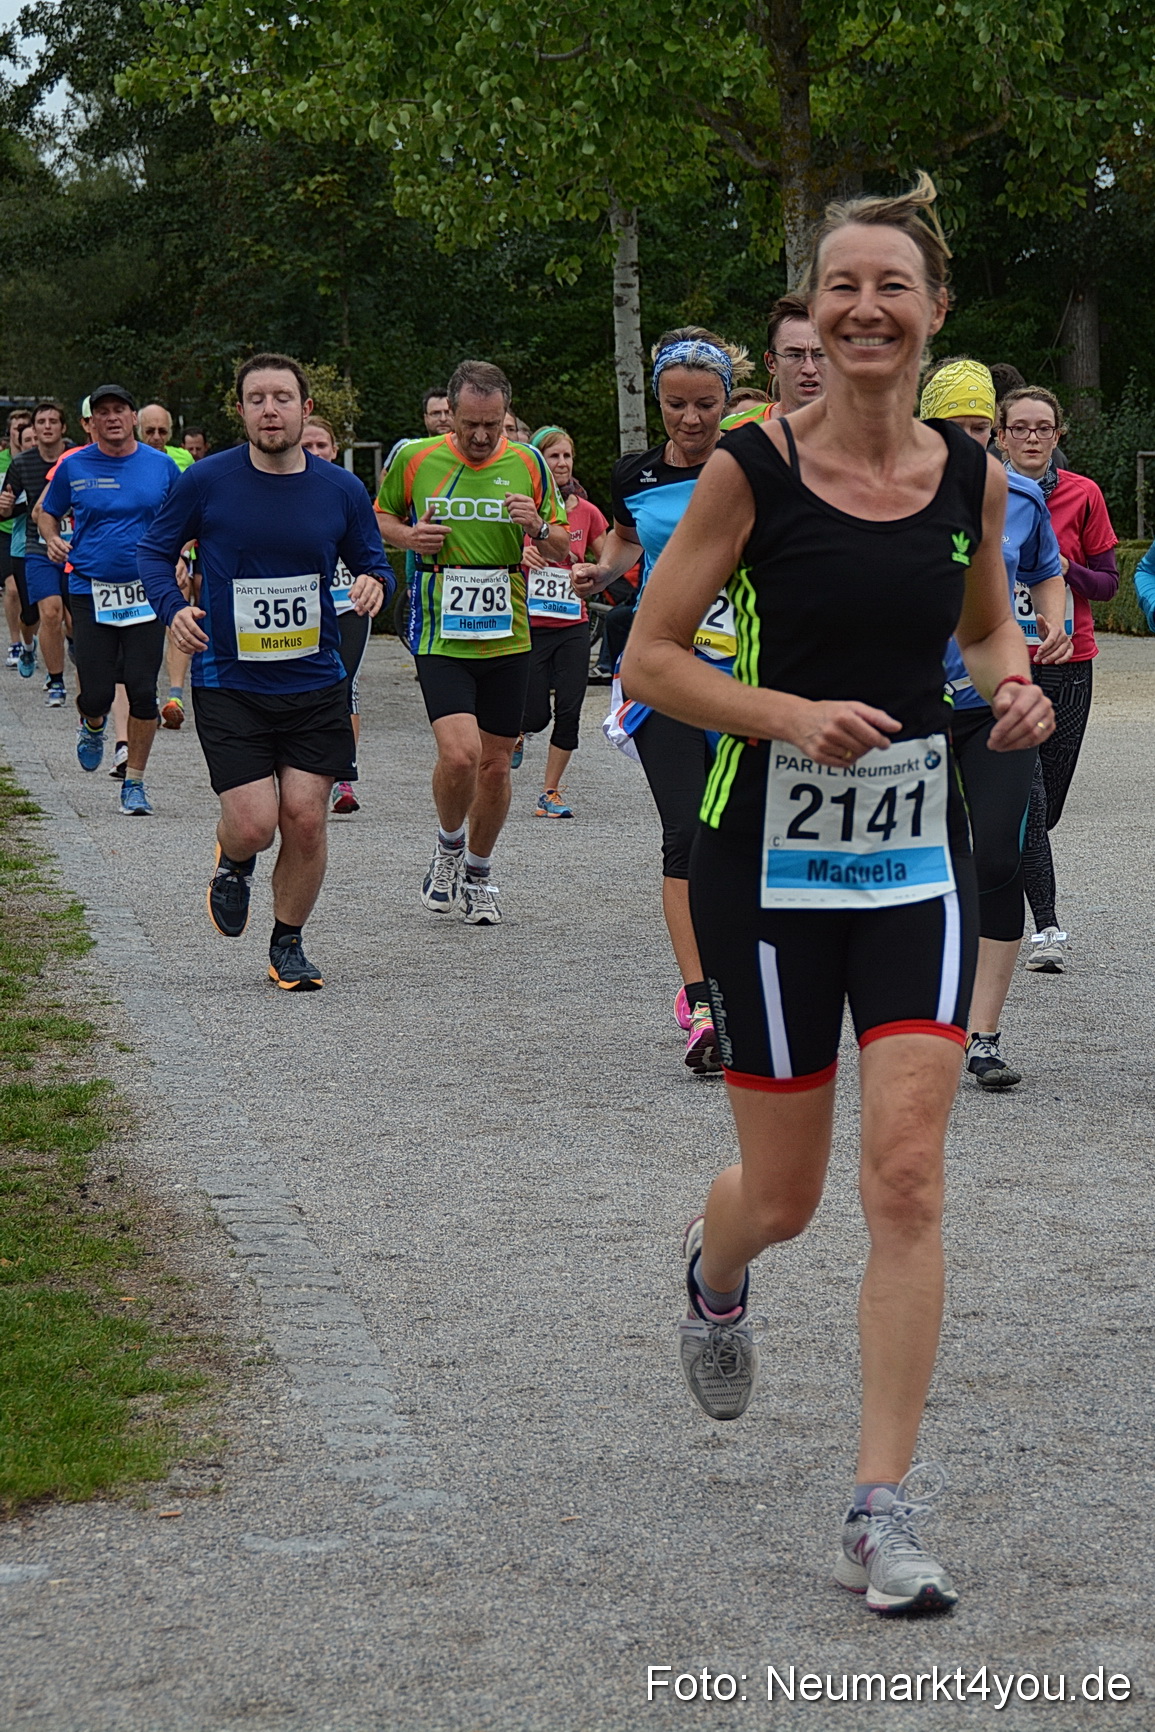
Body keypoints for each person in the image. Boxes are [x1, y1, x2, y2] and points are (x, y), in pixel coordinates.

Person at [622, 173, 1054, 1616]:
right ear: (811, 312)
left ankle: (878, 1506)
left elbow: (988, 623)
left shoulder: (970, 477)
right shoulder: (753, 467)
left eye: (891, 288)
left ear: (931, 316)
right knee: (791, 1195)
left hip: (908, 860)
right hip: (768, 866)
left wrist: (1009, 692)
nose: (863, 308)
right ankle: (715, 1272)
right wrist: (782, 714)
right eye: (838, 287)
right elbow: (650, 660)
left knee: (908, 1171)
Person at [137, 352, 393, 987]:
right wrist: (173, 609)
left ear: (304, 409)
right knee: (254, 822)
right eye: (257, 398)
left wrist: (373, 583)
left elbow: (374, 561)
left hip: (315, 680)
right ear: (242, 409)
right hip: (231, 681)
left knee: (305, 819)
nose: (270, 409)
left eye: (282, 397)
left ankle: (288, 943)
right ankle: (234, 856)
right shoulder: (206, 481)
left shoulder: (341, 488)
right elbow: (153, 550)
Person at [572, 327, 753, 1073]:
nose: (690, 418)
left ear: (725, 401)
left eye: (705, 404)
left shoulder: (752, 469)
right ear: (658, 403)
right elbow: (624, 544)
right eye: (676, 404)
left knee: (738, 835)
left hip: (745, 676)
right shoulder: (634, 476)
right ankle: (700, 1000)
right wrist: (598, 573)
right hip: (663, 671)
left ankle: (748, 981)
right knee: (685, 832)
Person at [921, 359, 1071, 1087]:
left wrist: (1052, 618)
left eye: (981, 428)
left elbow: (1047, 569)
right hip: (907, 709)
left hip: (994, 704)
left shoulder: (1014, 496)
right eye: (955, 427)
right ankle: (923, 1016)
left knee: (997, 860)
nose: (970, 441)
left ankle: (981, 1035)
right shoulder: (885, 497)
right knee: (925, 860)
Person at [375, 359, 568, 925]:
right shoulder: (415, 457)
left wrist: (536, 526)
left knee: (496, 767)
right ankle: (448, 845)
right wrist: (411, 536)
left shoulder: (529, 461)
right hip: (441, 629)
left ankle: (479, 872)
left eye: (492, 424)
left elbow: (561, 546)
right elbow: (377, 518)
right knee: (459, 755)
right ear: (450, 415)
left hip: (508, 631)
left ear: (506, 415)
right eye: (469, 424)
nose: (481, 436)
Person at [997, 386, 1118, 971]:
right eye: (1019, 428)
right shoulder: (983, 496)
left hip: (1071, 662)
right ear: (1001, 436)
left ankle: (1006, 857)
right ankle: (1046, 926)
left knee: (1046, 807)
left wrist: (1060, 568)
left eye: (1042, 428)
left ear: (1057, 434)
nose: (1032, 439)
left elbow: (1110, 583)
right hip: (1008, 663)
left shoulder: (1083, 495)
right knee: (1026, 793)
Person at [38, 386, 179, 813]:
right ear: (91, 422)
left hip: (146, 591)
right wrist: (51, 538)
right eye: (103, 412)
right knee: (96, 692)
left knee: (140, 689)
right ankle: (93, 724)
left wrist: (180, 557)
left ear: (133, 417)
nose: (112, 418)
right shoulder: (73, 465)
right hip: (90, 588)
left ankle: (134, 782)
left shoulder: (162, 466)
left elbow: (184, 516)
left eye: (120, 410)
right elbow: (47, 511)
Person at [516, 426, 607, 816]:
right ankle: (519, 731)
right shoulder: (521, 511)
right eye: (554, 456)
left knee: (570, 708)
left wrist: (592, 569)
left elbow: (609, 562)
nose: (563, 463)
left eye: (568, 456)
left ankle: (549, 792)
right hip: (531, 626)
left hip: (573, 625)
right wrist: (522, 556)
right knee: (536, 713)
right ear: (539, 462)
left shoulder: (588, 513)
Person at [301, 414, 370, 814]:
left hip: (349, 604)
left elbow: (372, 550)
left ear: (335, 449)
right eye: (307, 446)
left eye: (321, 446)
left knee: (346, 686)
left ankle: (344, 772)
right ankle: (306, 767)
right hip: (304, 608)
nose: (315, 453)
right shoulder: (283, 491)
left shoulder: (351, 490)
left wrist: (375, 581)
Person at [0, 401, 72, 702]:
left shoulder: (76, 458)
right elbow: (5, 506)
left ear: (63, 427)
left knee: (73, 619)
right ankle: (52, 676)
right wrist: (4, 508)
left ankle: (70, 661)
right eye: (41, 421)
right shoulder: (22, 464)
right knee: (46, 612)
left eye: (52, 421)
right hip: (36, 545)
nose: (46, 426)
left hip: (74, 546)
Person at [721, 292, 827, 429]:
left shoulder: (860, 431)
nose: (809, 369)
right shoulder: (734, 429)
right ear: (771, 362)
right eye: (795, 355)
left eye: (819, 354)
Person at [2, 411, 34, 667]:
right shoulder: (2, 462)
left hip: (38, 536)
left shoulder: (45, 463)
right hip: (6, 533)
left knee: (45, 605)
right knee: (12, 588)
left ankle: (33, 641)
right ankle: (15, 642)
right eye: (16, 429)